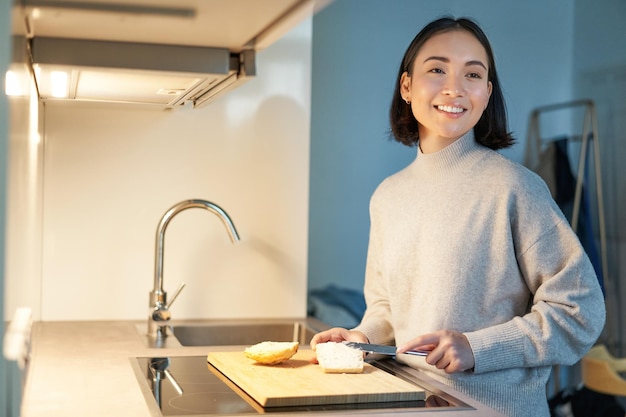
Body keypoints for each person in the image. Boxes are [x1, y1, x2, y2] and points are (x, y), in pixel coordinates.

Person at [310, 16, 606, 417]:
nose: (455, 87)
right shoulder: (387, 196)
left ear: (486, 93)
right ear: (407, 86)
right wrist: (360, 338)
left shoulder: (515, 188)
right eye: (436, 69)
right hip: (411, 404)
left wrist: (477, 349)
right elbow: (386, 307)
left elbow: (581, 312)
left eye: (473, 74)